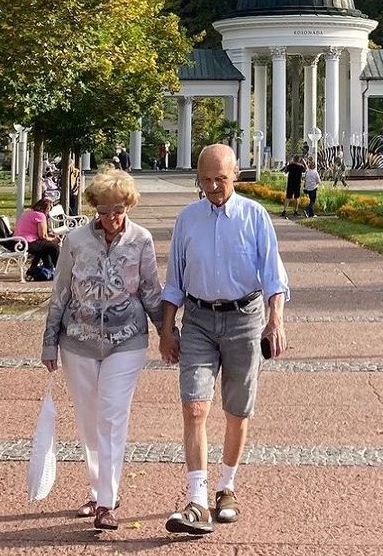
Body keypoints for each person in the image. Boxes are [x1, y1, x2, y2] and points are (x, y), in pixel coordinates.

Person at [160, 144, 288, 537]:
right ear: (197, 178)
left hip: (244, 319)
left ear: (236, 176)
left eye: (221, 179)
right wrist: (167, 328)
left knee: (237, 409)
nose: (214, 187)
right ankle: (197, 499)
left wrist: (275, 320)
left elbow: (273, 276)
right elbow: (174, 280)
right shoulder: (188, 219)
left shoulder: (254, 216)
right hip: (197, 319)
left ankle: (226, 488)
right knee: (195, 408)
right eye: (206, 180)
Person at [41, 170, 163, 532]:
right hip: (77, 339)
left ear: (129, 206)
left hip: (127, 339)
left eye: (120, 209)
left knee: (112, 415)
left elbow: (151, 292)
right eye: (106, 210)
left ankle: (108, 502)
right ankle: (96, 489)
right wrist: (49, 340)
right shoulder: (75, 241)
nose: (113, 217)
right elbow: (61, 291)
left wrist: (169, 335)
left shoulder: (141, 239)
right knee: (89, 419)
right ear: (95, 208)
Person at [14, 197, 61, 279]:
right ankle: (59, 268)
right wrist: (54, 239)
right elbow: (43, 236)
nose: (49, 212)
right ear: (45, 209)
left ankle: (42, 267)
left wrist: (50, 237)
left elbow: (41, 234)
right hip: (27, 243)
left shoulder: (28, 212)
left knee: (45, 246)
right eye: (49, 210)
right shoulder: (40, 215)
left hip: (18, 242)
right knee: (53, 246)